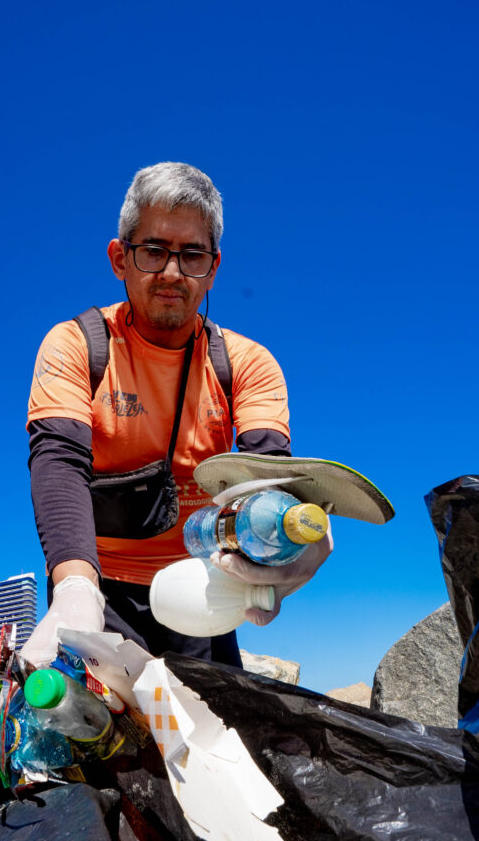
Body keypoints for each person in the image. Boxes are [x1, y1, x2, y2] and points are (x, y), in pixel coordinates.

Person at [22, 162, 332, 669]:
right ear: (119, 258)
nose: (172, 272)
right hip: (98, 580)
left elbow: (268, 471)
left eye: (192, 255)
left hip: (203, 585)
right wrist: (75, 587)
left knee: (215, 736)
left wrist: (295, 534)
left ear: (213, 268)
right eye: (154, 251)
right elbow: (58, 458)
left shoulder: (248, 363)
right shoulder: (76, 343)